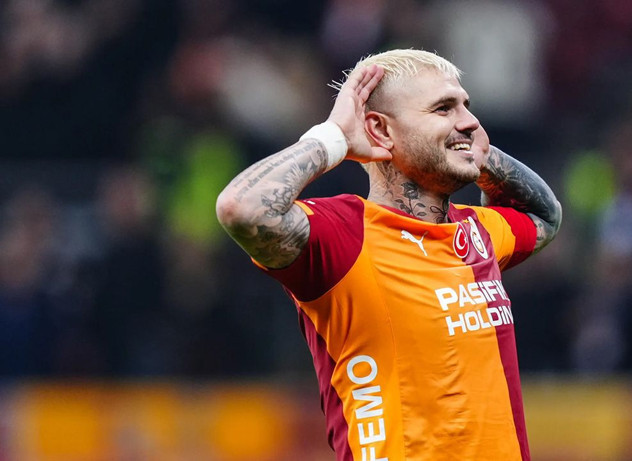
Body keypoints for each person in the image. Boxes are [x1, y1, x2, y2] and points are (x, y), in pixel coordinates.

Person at [215, 49, 562, 460]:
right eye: (444, 108)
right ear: (380, 129)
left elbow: (545, 215)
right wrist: (332, 138)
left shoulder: (478, 231)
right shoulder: (343, 235)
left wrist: (480, 155)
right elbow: (243, 208)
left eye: (466, 106)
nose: (470, 120)